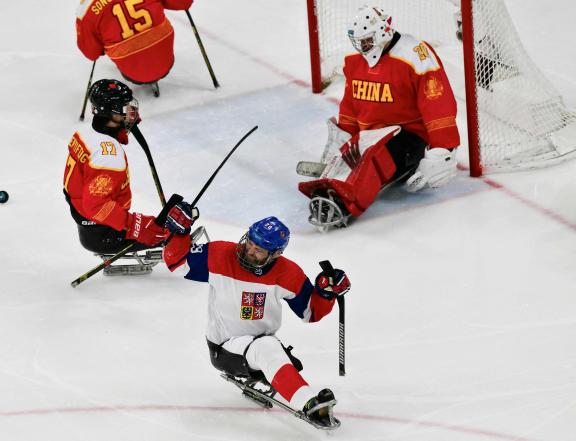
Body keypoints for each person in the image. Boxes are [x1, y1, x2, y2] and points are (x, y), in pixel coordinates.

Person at [162, 213, 351, 427]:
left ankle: (293, 384)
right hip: (223, 347)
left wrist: (327, 292)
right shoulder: (220, 254)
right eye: (249, 243)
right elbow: (176, 262)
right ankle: (309, 403)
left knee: (267, 346)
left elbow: (311, 312)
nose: (249, 251)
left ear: (276, 254)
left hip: (261, 345)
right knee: (266, 347)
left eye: (258, 250)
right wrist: (178, 232)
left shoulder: (288, 273)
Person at [298, 5, 460, 229]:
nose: (362, 47)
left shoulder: (416, 55)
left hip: (410, 137)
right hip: (370, 137)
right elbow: (350, 103)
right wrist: (343, 136)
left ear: (383, 31)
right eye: (358, 42)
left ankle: (344, 203)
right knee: (354, 155)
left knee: (375, 158)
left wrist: (442, 150)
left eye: (366, 41)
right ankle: (331, 185)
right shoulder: (355, 59)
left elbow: (437, 103)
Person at [63, 78, 171, 256]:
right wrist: (136, 226)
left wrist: (123, 124)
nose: (130, 110)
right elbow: (97, 207)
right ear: (109, 113)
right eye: (124, 107)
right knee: (163, 233)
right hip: (104, 233)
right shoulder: (108, 157)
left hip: (87, 221)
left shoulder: (85, 133)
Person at [75, 0, 193, 91]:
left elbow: (91, 53)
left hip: (132, 70)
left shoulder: (86, 7)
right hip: (164, 60)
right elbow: (184, 2)